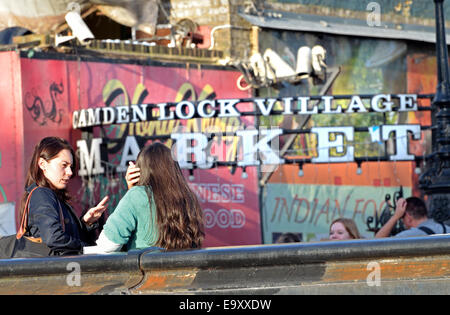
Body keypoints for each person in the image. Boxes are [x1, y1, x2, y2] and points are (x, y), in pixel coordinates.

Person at [84, 142, 205, 254]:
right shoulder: (188, 198)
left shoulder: (137, 195)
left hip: (147, 274)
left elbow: (107, 246)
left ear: (140, 170)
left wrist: (78, 251)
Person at [21, 137, 109, 256]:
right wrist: (87, 249)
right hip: (53, 272)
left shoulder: (51, 196)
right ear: (42, 164)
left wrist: (85, 223)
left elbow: (62, 238)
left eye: (71, 166)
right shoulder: (42, 194)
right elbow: (54, 238)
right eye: (64, 165)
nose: (70, 172)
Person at [375, 197, 450, 238]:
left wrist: (395, 216)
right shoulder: (446, 229)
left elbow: (377, 243)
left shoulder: (409, 235)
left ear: (408, 217)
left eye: (402, 218)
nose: (402, 222)